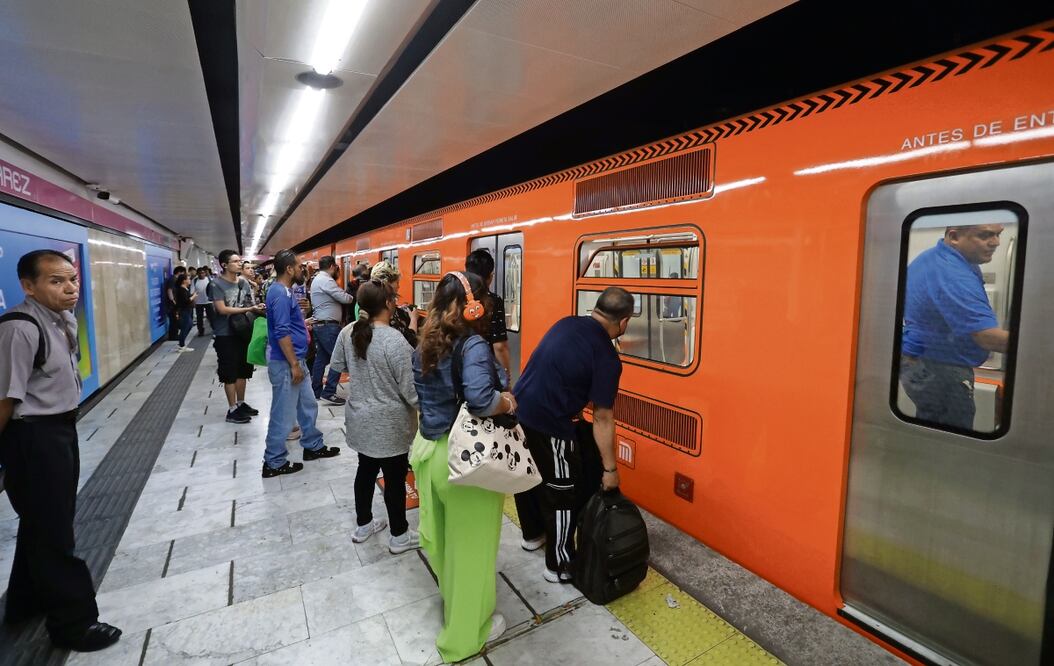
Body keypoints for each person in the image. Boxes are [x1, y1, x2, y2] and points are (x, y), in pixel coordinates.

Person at [0, 250, 122, 651]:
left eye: (72, 279)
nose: (70, 288)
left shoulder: (61, 319)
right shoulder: (20, 329)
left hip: (58, 431)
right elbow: (4, 399)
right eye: (56, 281)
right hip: (33, 437)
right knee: (54, 532)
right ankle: (74, 624)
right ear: (28, 286)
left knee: (43, 523)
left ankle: (25, 601)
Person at [411, 271, 517, 662]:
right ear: (472, 305)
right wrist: (507, 402)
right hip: (465, 460)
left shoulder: (425, 341)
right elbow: (480, 399)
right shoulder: (471, 344)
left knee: (447, 544)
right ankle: (466, 635)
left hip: (430, 453)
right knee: (472, 550)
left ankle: (455, 604)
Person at [511, 287, 632, 582]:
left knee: (529, 478)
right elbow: (603, 417)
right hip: (550, 423)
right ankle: (560, 564)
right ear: (624, 322)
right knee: (562, 492)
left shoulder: (566, 323)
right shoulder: (607, 356)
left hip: (519, 411)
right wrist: (610, 470)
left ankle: (533, 535)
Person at [329, 280, 420, 552]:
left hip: (361, 421)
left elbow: (338, 365)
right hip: (390, 426)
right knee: (395, 479)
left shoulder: (348, 332)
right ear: (389, 304)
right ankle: (399, 535)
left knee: (365, 472)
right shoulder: (395, 340)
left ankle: (364, 524)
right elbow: (411, 390)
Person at [900, 223, 1009, 430]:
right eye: (985, 235)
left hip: (920, 359)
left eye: (998, 234)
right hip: (939, 367)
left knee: (932, 425)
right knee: (950, 434)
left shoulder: (935, 257)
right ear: (954, 237)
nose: (995, 242)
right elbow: (987, 337)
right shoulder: (952, 274)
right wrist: (1038, 348)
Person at [261, 250, 341, 477]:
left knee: (308, 405)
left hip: (296, 360)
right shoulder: (279, 293)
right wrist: (294, 364)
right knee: (284, 414)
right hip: (287, 363)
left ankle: (313, 446)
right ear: (288, 269)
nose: (302, 270)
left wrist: (302, 317)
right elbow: (281, 332)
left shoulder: (284, 292)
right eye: (298, 266)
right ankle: (273, 461)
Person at [208, 250, 265, 424]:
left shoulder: (243, 283)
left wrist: (257, 307)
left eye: (240, 261)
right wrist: (249, 309)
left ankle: (240, 403)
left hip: (242, 331)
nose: (239, 263)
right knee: (229, 372)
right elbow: (222, 309)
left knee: (243, 369)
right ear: (224, 265)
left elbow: (249, 304)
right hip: (225, 334)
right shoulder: (216, 284)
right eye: (235, 261)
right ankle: (232, 409)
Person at [309, 256, 353, 406]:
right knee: (338, 358)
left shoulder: (318, 279)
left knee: (321, 358)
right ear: (332, 266)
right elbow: (344, 298)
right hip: (328, 326)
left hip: (321, 325)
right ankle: (329, 392)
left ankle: (316, 390)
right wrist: (351, 296)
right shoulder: (326, 280)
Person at [465, 249, 512, 388]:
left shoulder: (456, 297)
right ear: (490, 276)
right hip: (485, 371)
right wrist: (506, 380)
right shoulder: (494, 301)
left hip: (458, 366)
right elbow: (499, 346)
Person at [370, 260, 420, 348]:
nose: (398, 286)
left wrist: (398, 308)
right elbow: (409, 342)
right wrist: (414, 319)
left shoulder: (371, 303)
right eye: (397, 282)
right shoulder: (387, 316)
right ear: (388, 283)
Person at [173, 272, 196, 352]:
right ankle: (181, 345)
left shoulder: (185, 289)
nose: (190, 280)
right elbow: (186, 301)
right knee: (186, 326)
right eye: (188, 279)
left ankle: (181, 343)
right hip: (184, 310)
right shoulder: (181, 289)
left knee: (189, 325)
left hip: (187, 310)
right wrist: (193, 296)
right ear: (184, 281)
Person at [166, 265, 187, 341]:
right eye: (183, 273)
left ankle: (174, 334)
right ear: (179, 272)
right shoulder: (173, 279)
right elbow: (169, 291)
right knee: (173, 320)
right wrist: (173, 301)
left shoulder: (174, 279)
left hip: (173, 304)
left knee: (175, 320)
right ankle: (173, 336)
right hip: (171, 305)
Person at [192, 267, 214, 336]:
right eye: (200, 273)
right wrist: (194, 301)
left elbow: (213, 289)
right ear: (197, 274)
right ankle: (201, 331)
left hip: (208, 302)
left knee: (211, 317)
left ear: (205, 273)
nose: (201, 274)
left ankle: (215, 330)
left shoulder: (209, 279)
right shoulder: (195, 280)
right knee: (199, 318)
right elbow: (192, 291)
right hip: (199, 302)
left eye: (203, 273)